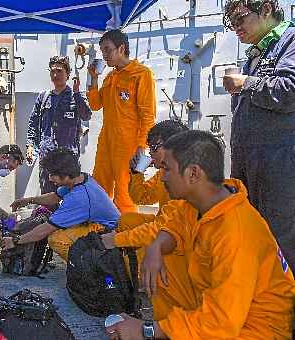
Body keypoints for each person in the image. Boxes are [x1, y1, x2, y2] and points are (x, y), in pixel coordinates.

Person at [105, 130, 295, 339]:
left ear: (193, 174)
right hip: (224, 311)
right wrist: (156, 247)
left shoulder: (236, 233)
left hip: (256, 330)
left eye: (166, 169)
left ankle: (173, 330)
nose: (162, 175)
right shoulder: (200, 203)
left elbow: (220, 324)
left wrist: (144, 331)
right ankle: (177, 328)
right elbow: (175, 228)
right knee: (162, 260)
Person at [222, 0, 295, 273]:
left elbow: (290, 90)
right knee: (253, 236)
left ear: (265, 9)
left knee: (281, 238)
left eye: (239, 18)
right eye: (231, 22)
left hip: (280, 168)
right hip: (251, 165)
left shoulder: (291, 42)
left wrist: (246, 83)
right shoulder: (255, 53)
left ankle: (286, 310)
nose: (235, 27)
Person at [2, 148, 120, 261]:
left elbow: (46, 229)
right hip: (98, 224)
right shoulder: (80, 178)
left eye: (53, 175)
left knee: (56, 239)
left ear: (66, 174)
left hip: (108, 231)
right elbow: (54, 197)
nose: (50, 178)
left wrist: (15, 241)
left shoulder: (79, 197)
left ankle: (87, 266)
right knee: (46, 220)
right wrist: (28, 200)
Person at [87, 29, 156, 214]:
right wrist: (93, 79)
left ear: (121, 48)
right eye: (103, 52)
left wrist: (142, 147)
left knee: (124, 195)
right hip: (106, 143)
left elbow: (148, 116)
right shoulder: (110, 77)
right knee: (99, 188)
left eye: (108, 50)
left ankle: (126, 236)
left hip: (128, 146)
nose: (105, 56)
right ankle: (100, 230)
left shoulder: (141, 74)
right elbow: (95, 104)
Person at [100, 120, 189, 250]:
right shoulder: (164, 173)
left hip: (176, 238)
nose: (151, 153)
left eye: (154, 147)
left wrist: (115, 240)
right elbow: (142, 197)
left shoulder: (185, 180)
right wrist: (137, 173)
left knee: (144, 247)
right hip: (164, 225)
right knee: (126, 220)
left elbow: (162, 228)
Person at [26, 56, 92, 209]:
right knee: (47, 200)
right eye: (53, 71)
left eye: (60, 71)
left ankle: (68, 230)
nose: (55, 75)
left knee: (71, 199)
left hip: (67, 160)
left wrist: (76, 94)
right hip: (47, 157)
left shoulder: (76, 96)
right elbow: (33, 124)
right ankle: (48, 229)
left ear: (67, 74)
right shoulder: (43, 97)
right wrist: (30, 145)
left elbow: (86, 115)